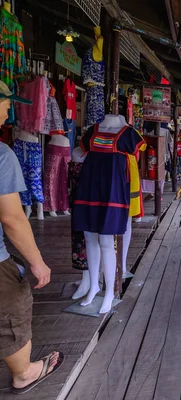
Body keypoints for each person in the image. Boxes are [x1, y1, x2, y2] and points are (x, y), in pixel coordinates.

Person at [0, 82, 64, 394]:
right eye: (5, 103)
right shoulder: (1, 155)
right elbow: (12, 217)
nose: (8, 111)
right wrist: (37, 262)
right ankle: (24, 373)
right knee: (12, 304)